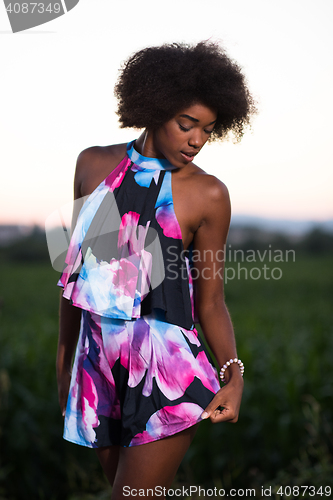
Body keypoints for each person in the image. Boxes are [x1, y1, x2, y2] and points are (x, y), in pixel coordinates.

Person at [56, 41, 256, 499]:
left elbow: (211, 299)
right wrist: (65, 360)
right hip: (96, 365)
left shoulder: (208, 195)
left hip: (165, 373)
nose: (197, 139)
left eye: (208, 129)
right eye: (187, 124)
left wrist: (235, 375)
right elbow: (72, 278)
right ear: (154, 108)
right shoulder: (91, 166)